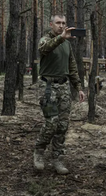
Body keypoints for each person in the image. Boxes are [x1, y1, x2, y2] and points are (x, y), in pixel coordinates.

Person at [34, 14, 85, 175]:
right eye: (58, 23)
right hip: (48, 86)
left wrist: (78, 87)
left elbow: (72, 67)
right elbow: (44, 49)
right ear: (51, 24)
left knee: (63, 125)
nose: (61, 26)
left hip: (64, 87)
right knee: (51, 123)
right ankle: (39, 152)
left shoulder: (67, 45)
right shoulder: (45, 39)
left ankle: (57, 158)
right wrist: (61, 38)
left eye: (64, 23)